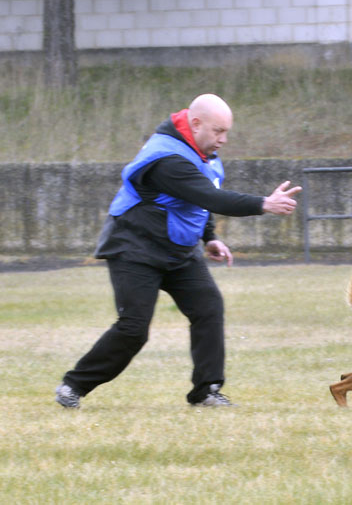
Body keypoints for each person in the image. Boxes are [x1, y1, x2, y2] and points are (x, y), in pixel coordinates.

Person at [55, 94, 301, 408]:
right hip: (135, 248)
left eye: (226, 132)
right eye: (218, 131)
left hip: (178, 251)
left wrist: (209, 237)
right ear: (195, 124)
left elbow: (199, 199)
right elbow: (210, 197)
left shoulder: (202, 153)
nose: (223, 140)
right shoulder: (166, 159)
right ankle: (73, 386)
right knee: (133, 329)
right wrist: (263, 204)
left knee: (208, 308)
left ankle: (206, 391)